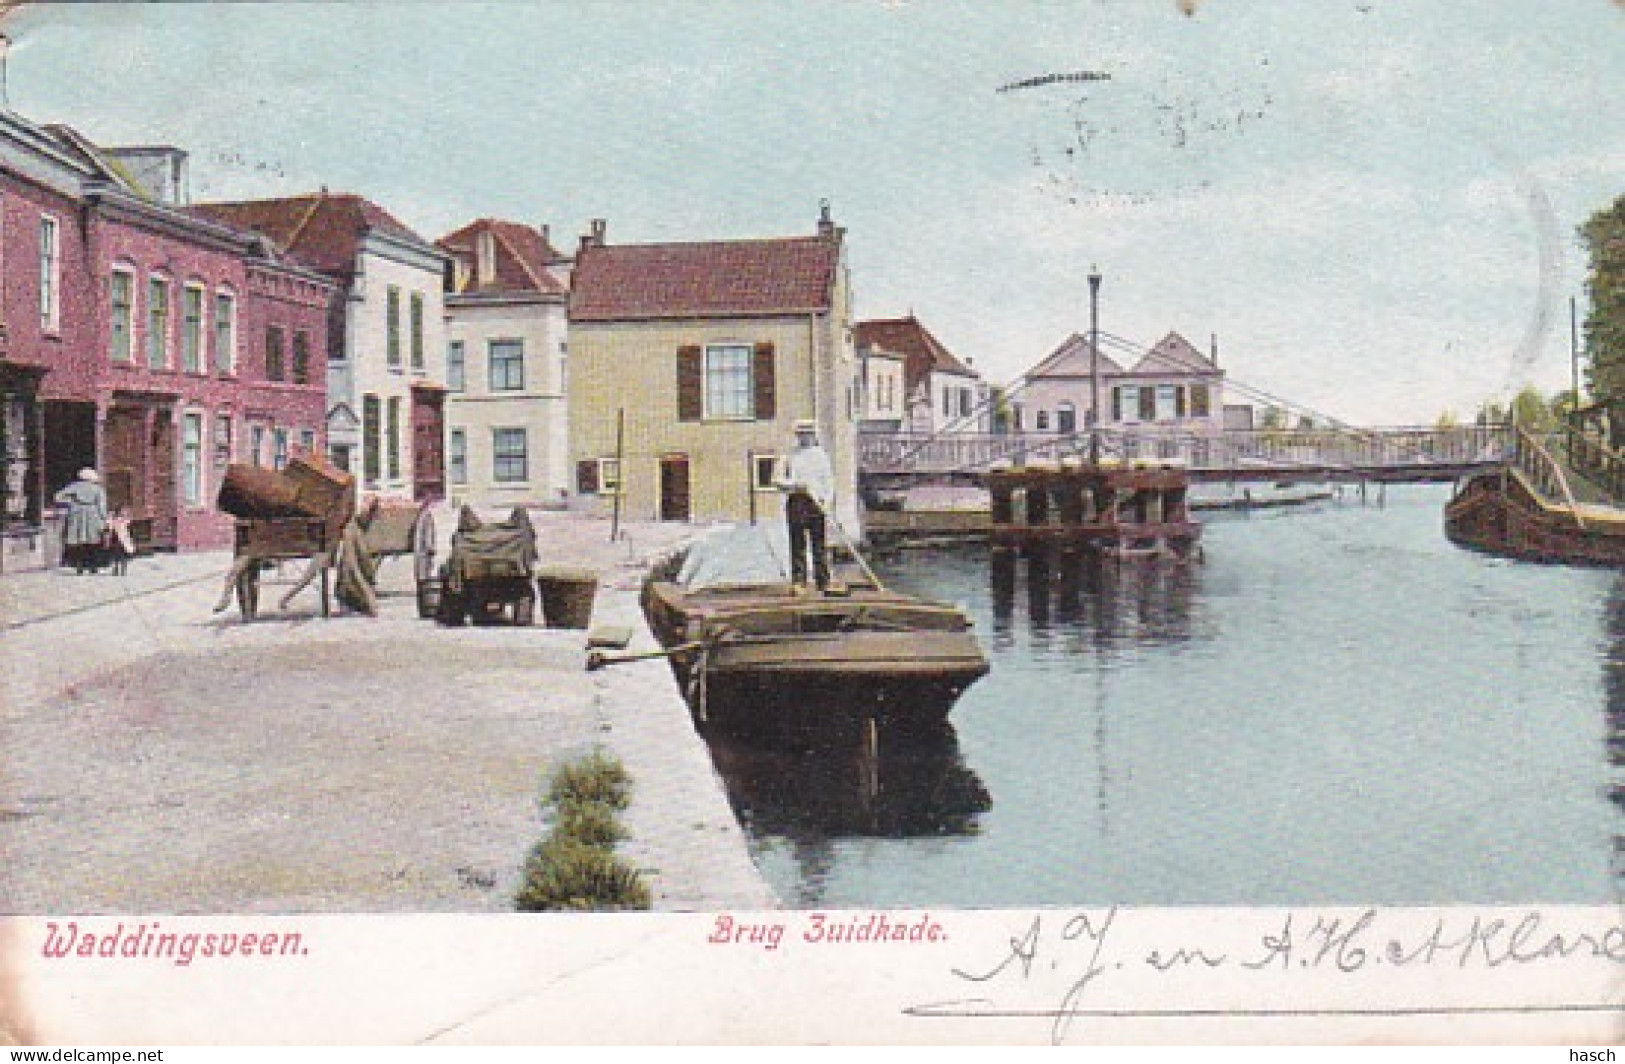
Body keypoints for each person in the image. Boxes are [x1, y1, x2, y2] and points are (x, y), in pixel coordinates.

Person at [777, 419, 834, 593]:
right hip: (797, 501)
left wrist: (827, 502)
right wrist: (794, 485)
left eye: (808, 433)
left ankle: (823, 582)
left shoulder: (821, 456)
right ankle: (799, 582)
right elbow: (777, 481)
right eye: (801, 434)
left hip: (816, 504)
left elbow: (829, 483)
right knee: (797, 544)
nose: (804, 437)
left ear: (813, 435)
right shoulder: (789, 455)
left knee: (819, 544)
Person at [54, 468, 109, 575]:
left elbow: (57, 497)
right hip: (92, 515)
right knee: (93, 542)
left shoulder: (75, 486)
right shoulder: (97, 489)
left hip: (76, 514)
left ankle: (79, 567)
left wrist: (71, 502)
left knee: (79, 542)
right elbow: (102, 506)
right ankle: (92, 567)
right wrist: (104, 519)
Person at [104, 506, 135, 576]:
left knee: (119, 555)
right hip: (116, 539)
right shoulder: (115, 519)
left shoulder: (121, 520)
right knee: (117, 555)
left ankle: (120, 569)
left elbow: (128, 521)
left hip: (120, 539)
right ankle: (118, 569)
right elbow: (109, 525)